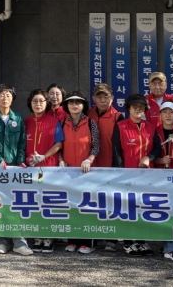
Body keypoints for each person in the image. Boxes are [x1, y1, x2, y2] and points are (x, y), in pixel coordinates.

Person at [0, 84, 33, 256]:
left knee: (16, 203)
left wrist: (20, 161)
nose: (5, 98)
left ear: (13, 99)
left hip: (14, 167)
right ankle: (2, 241)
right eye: (2, 95)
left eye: (8, 95)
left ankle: (20, 242)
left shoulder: (18, 118)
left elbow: (22, 142)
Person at [112, 93, 162, 256]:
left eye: (141, 107)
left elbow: (157, 148)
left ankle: (141, 241)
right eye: (135, 107)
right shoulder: (120, 126)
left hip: (147, 176)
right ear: (128, 109)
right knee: (128, 209)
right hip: (127, 176)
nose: (138, 109)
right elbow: (116, 152)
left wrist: (149, 157)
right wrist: (122, 173)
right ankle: (128, 242)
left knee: (143, 208)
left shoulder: (150, 127)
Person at [59, 91, 99, 254]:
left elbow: (96, 146)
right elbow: (59, 145)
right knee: (70, 206)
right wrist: (61, 160)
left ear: (84, 105)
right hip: (68, 172)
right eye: (71, 102)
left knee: (86, 206)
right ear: (66, 106)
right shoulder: (62, 122)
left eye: (78, 102)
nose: (74, 105)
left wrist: (89, 159)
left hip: (86, 172)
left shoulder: (90, 123)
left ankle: (87, 242)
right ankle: (72, 240)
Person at [24, 89, 63, 253]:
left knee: (46, 203)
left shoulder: (54, 121)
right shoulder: (26, 121)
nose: (38, 104)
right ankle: (37, 237)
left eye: (41, 101)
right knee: (33, 203)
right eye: (35, 101)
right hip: (29, 169)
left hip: (48, 168)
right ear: (30, 103)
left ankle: (48, 238)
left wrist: (44, 156)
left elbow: (59, 144)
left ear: (47, 103)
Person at [85, 83, 122, 252]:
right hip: (91, 166)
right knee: (93, 201)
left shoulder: (118, 116)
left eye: (106, 96)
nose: (102, 100)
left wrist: (118, 165)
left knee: (111, 202)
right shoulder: (89, 114)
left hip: (110, 165)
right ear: (94, 98)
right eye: (99, 97)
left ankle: (111, 239)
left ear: (112, 98)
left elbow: (119, 145)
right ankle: (96, 235)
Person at [156, 102, 173, 261]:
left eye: (171, 112)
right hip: (157, 178)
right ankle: (167, 245)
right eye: (164, 112)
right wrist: (161, 160)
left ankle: (172, 247)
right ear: (160, 114)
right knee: (163, 212)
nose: (168, 115)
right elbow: (149, 154)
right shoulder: (154, 132)